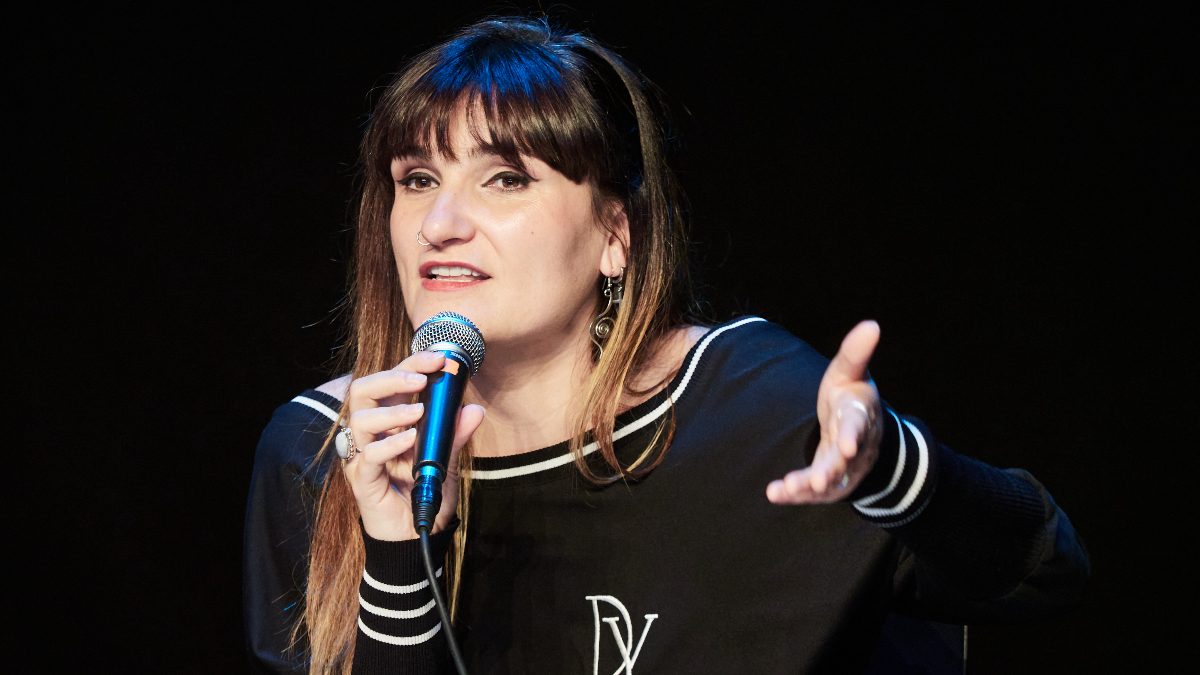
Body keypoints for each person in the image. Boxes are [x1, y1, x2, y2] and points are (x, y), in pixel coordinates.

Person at [243, 17, 1089, 675]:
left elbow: (1047, 572)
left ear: (616, 235)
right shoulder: (322, 451)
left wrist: (894, 467)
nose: (440, 223)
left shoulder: (748, 407)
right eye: (417, 180)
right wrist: (397, 552)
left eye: (505, 178)